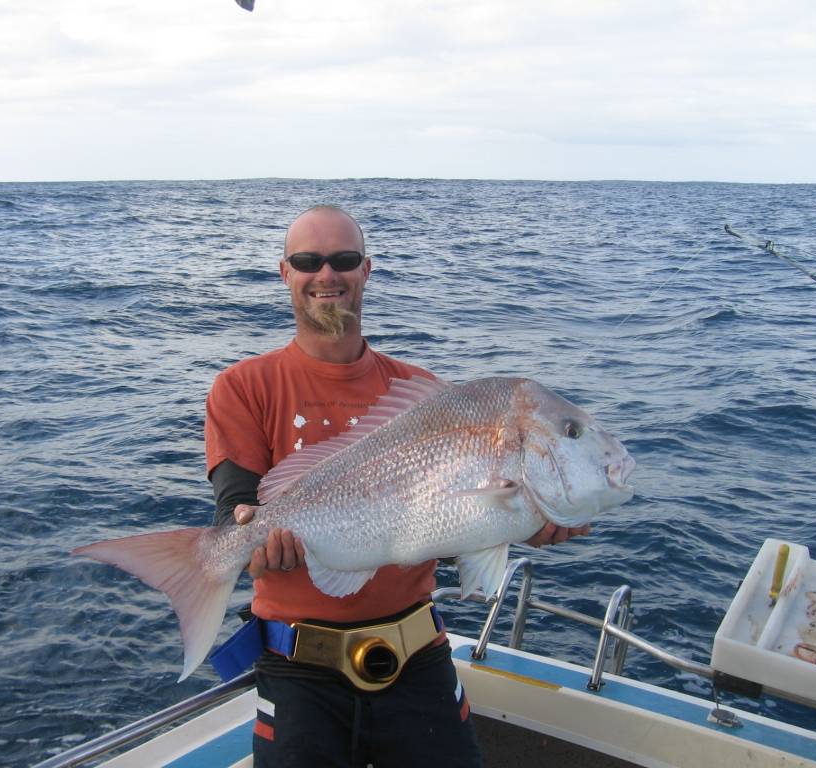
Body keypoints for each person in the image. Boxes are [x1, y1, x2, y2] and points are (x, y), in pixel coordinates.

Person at [204, 205, 587, 767]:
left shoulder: (427, 393)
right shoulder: (243, 386)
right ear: (285, 272)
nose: (327, 275)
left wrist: (525, 521)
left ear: (367, 270)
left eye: (344, 260)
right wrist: (248, 542)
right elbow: (237, 509)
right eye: (309, 261)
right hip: (296, 667)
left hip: (417, 658)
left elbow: (454, 516)